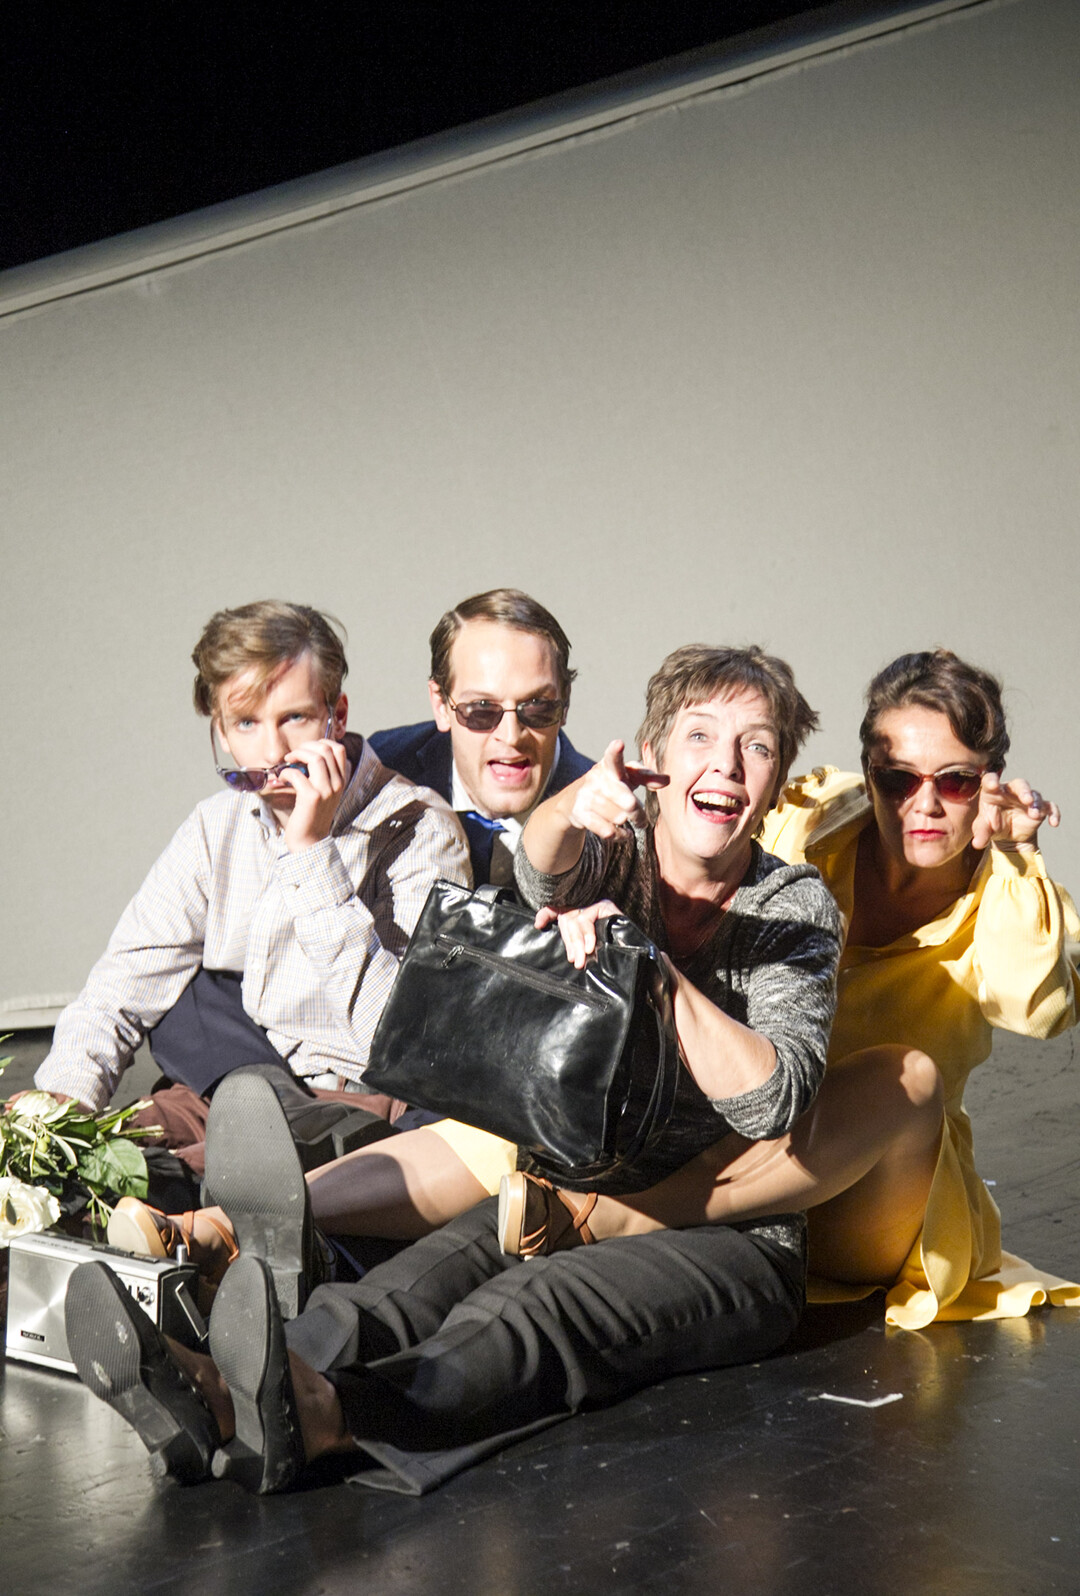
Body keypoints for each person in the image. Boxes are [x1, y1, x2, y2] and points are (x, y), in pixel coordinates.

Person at [66, 644, 844, 1493]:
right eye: (700, 736)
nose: (726, 763)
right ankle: (223, 1395)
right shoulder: (618, 855)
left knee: (534, 1307)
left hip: (727, 1236)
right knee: (408, 1287)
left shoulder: (792, 904)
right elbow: (541, 865)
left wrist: (654, 973)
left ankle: (323, 1416)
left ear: (776, 781)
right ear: (654, 759)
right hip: (568, 1189)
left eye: (756, 746)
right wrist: (572, 806)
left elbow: (774, 1097)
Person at [500, 650, 1080, 1332]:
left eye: (955, 782)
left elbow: (1038, 1009)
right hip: (733, 1139)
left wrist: (1015, 854)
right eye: (898, 779)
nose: (923, 804)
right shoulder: (812, 816)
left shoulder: (1011, 893)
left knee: (908, 1080)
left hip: (865, 1183)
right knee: (486, 1134)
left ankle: (621, 1218)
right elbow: (692, 842)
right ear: (869, 772)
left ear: (989, 782)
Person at [34, 600, 470, 1162]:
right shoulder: (216, 826)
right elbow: (119, 989)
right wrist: (56, 1111)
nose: (272, 751)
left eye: (295, 718)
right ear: (220, 729)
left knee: (213, 1174)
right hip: (230, 1084)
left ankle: (249, 1157)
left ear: (336, 715)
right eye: (246, 723)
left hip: (356, 1104)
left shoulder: (419, 829)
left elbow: (405, 1041)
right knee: (81, 1160)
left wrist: (311, 853)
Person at [370, 588, 593, 886]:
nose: (511, 737)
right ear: (441, 705)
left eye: (536, 706)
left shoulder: (611, 828)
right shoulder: (380, 772)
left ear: (564, 702)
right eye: (482, 709)